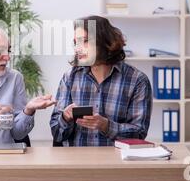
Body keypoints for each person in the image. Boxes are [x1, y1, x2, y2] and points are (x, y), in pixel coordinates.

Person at [50, 15, 152, 146]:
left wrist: (106, 126)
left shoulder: (137, 81)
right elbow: (57, 134)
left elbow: (139, 134)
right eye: (76, 42)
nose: (78, 48)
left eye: (85, 41)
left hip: (117, 163)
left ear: (105, 41)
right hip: (76, 163)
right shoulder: (70, 77)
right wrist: (65, 118)